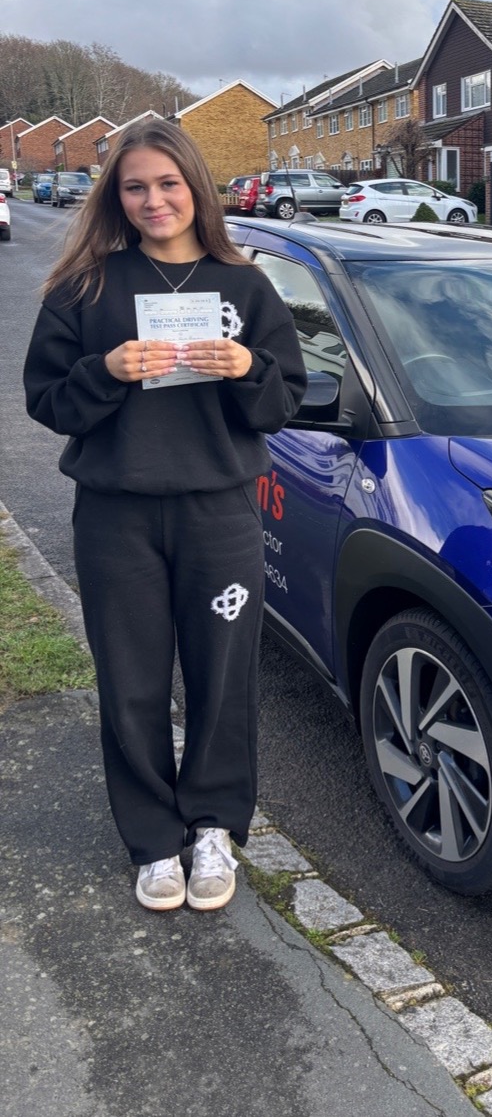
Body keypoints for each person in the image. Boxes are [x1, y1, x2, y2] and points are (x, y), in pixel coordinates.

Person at [23, 122, 307, 912]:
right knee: (131, 681)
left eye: (168, 183)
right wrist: (105, 370)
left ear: (196, 189)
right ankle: (153, 840)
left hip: (219, 513)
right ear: (117, 196)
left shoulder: (245, 287)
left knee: (222, 678)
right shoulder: (85, 286)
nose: (154, 200)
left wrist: (249, 366)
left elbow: (284, 402)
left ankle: (213, 825)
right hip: (116, 515)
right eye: (135, 186)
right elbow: (45, 400)